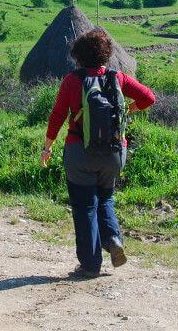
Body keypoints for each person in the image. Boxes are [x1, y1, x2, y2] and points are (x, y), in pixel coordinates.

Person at [41, 29, 155, 278]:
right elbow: (149, 97)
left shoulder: (72, 81)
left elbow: (57, 116)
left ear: (79, 55)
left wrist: (47, 147)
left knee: (85, 207)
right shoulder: (118, 78)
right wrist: (130, 110)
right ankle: (113, 237)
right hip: (114, 153)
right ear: (106, 55)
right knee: (105, 199)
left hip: (79, 151)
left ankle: (90, 265)